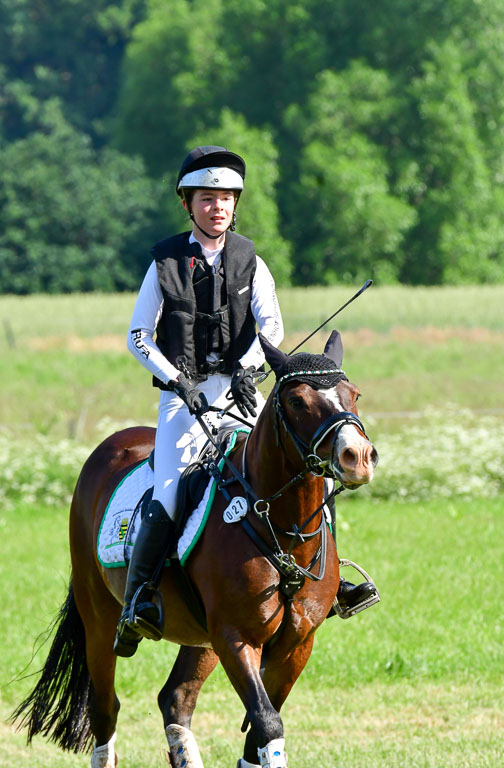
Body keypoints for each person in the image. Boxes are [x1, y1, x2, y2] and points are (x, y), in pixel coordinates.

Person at [114, 145, 377, 658]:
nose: (218, 207)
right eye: (207, 198)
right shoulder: (164, 263)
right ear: (187, 204)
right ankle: (138, 599)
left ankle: (331, 579)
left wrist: (249, 369)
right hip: (182, 401)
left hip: (240, 392)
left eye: (227, 199)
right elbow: (138, 336)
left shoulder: (250, 260)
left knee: (307, 471)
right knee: (169, 493)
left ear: (235, 205)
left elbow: (272, 327)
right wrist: (177, 381)